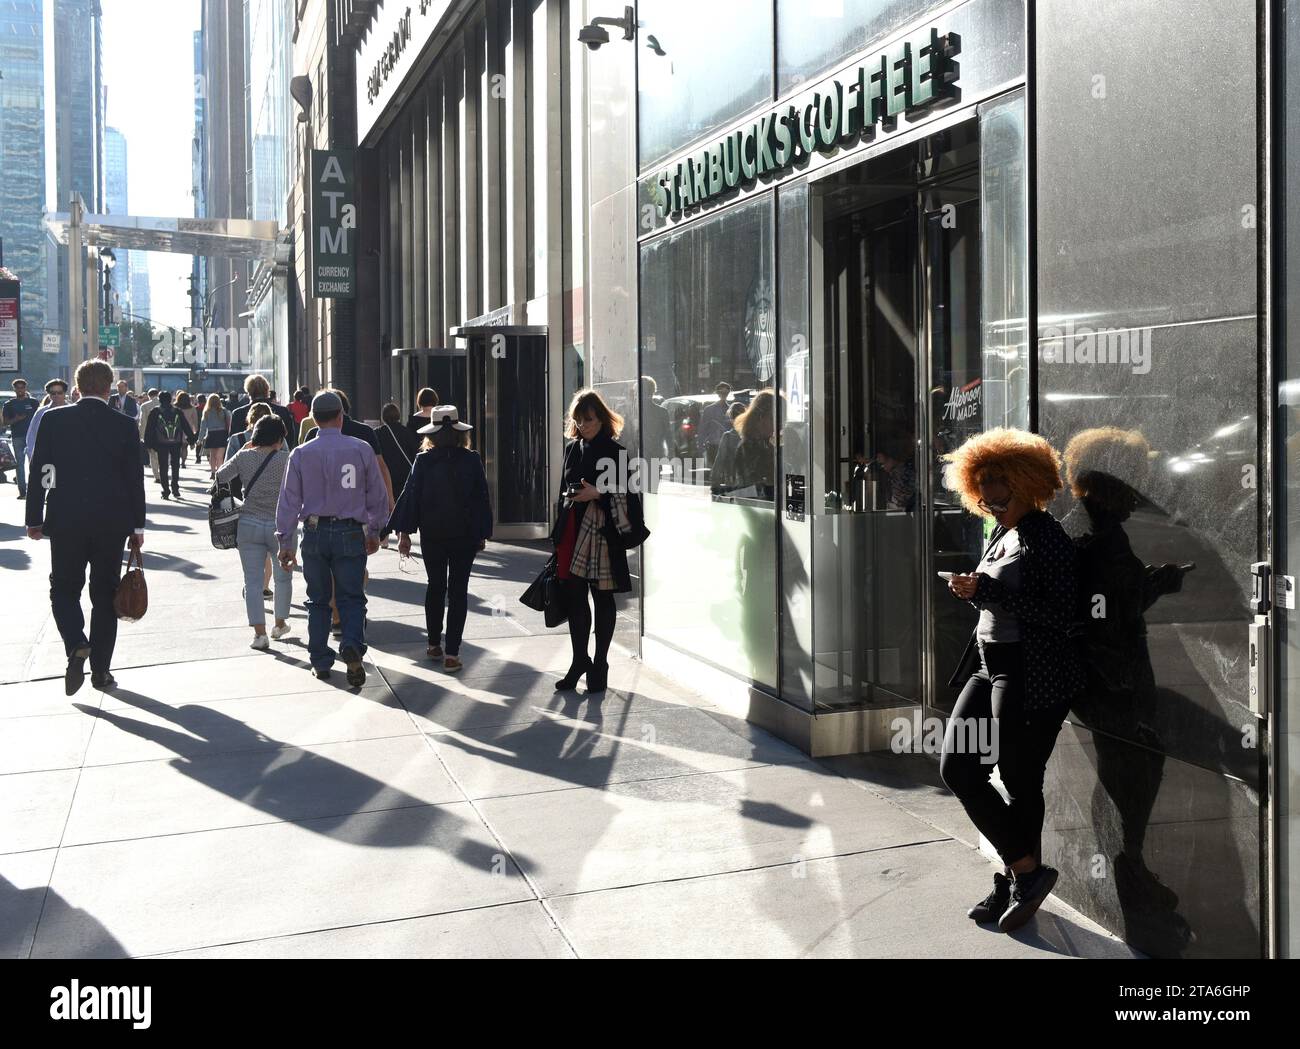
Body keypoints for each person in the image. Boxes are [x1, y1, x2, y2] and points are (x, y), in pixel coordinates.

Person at [938, 427, 1084, 934]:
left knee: (1020, 780)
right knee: (959, 767)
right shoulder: (1001, 531)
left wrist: (991, 593)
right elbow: (998, 596)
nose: (990, 496)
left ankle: (1017, 879)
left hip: (1031, 671)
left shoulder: (1046, 535)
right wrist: (975, 591)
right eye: (982, 485)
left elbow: (1066, 613)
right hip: (990, 664)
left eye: (999, 483)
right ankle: (1025, 872)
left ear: (1027, 481)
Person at [26, 360, 145, 695]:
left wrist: (35, 516)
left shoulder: (53, 420)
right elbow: (134, 480)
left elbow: (42, 471)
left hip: (65, 519)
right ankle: (101, 672)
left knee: (63, 588)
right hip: (111, 523)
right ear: (109, 388)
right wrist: (137, 524)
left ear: (76, 387)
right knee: (105, 594)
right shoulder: (124, 425)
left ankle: (76, 643)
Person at [276, 391, 388, 685]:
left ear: (313, 418)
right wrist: (375, 530)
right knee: (351, 596)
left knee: (318, 599)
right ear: (340, 417)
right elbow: (376, 494)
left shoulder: (300, 454)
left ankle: (320, 659)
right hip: (350, 531)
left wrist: (285, 541)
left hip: (313, 531)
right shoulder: (361, 449)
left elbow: (288, 501)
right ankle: (351, 644)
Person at [388, 406, 492, 672]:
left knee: (435, 586)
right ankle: (452, 654)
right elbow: (481, 498)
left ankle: (434, 644)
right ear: (459, 433)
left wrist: (404, 534)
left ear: (431, 435)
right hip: (465, 534)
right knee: (459, 592)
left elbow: (410, 497)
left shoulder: (423, 460)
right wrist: (482, 533)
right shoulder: (472, 459)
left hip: (433, 534)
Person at [551, 389, 642, 693]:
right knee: (574, 596)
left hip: (604, 531)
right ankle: (580, 661)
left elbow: (630, 495)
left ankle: (600, 664)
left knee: (603, 597)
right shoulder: (572, 448)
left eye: (588, 419)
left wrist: (597, 494)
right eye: (578, 420)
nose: (583, 425)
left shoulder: (615, 451)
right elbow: (564, 487)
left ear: (602, 419)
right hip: (573, 528)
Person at [218, 416, 293, 650]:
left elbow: (220, 476)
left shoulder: (244, 456)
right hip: (280, 526)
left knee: (252, 581)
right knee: (283, 578)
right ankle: (279, 624)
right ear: (280, 438)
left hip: (248, 524)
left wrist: (242, 450)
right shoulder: (287, 459)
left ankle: (259, 635)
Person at [143, 390, 196, 500]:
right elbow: (186, 426)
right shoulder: (177, 411)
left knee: (163, 467)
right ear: (171, 399)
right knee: (175, 465)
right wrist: (191, 440)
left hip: (161, 443)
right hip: (176, 443)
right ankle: (175, 488)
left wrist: (148, 443)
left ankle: (165, 490)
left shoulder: (155, 411)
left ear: (160, 399)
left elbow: (149, 429)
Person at [730, 390, 777, 500]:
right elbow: (756, 484)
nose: (776, 425)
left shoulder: (764, 443)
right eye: (772, 419)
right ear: (760, 418)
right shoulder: (750, 446)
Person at [230, 374, 296, 449]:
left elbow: (233, 441)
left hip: (244, 457)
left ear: (249, 392)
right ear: (267, 390)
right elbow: (290, 437)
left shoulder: (238, 413)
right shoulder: (282, 411)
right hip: (276, 456)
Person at [375, 402, 419, 502]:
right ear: (398, 415)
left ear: (383, 417)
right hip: (405, 476)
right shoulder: (407, 432)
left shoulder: (377, 433)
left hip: (386, 478)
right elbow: (414, 453)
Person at [3, 378, 39, 498]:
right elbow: (5, 422)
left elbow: (40, 417)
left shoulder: (33, 402)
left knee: (34, 464)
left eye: (22, 387)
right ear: (14, 389)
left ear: (25, 388)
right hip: (17, 437)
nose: (20, 389)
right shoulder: (9, 404)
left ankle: (35, 490)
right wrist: (16, 419)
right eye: (17, 387)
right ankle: (23, 491)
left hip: (32, 437)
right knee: (20, 465)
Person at [23, 379, 69, 467]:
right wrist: (31, 456)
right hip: (45, 459)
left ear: (64, 393)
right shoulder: (41, 412)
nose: (56, 395)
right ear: (49, 395)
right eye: (53, 393)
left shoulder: (73, 411)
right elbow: (32, 435)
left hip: (67, 457)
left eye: (59, 392)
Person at [710, 402, 746, 492]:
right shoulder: (752, 435)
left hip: (732, 483)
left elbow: (720, 460)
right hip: (749, 484)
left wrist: (715, 484)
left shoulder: (728, 437)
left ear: (731, 419)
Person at [698, 381, 732, 465]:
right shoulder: (709, 409)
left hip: (727, 445)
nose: (724, 395)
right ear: (718, 393)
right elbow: (702, 428)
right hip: (713, 444)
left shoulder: (731, 409)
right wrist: (701, 445)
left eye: (726, 392)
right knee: (713, 468)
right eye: (722, 392)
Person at [199, 393, 232, 476]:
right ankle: (219, 472)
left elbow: (203, 427)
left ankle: (213, 472)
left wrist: (200, 438)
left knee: (212, 455)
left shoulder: (206, 412)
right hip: (222, 435)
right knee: (220, 456)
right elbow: (230, 423)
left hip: (211, 434)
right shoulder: (224, 411)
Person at [137, 389, 161, 482]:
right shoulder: (167, 404)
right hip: (165, 434)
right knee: (164, 455)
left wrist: (141, 436)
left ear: (148, 395)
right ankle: (163, 472)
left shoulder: (145, 406)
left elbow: (142, 422)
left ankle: (157, 476)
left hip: (150, 434)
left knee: (153, 455)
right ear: (158, 394)